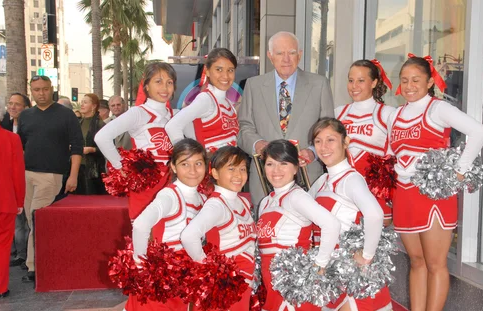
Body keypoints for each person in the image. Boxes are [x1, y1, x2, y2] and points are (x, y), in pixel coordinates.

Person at [60, 139, 207, 311]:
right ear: (172, 166)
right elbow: (140, 225)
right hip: (160, 287)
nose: (192, 170)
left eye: (198, 163)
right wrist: (142, 267)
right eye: (185, 164)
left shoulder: (199, 198)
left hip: (178, 287)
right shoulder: (171, 196)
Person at [387, 55, 483, 311]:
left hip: (433, 196)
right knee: (416, 262)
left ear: (430, 82)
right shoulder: (396, 114)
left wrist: (459, 170)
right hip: (403, 194)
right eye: (404, 80)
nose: (409, 86)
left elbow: (478, 132)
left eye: (416, 80)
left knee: (435, 263)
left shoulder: (439, 108)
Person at [308, 118, 411, 311]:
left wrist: (366, 255)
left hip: (355, 279)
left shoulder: (350, 179)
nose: (324, 147)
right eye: (318, 141)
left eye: (330, 140)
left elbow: (375, 215)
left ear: (346, 142)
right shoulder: (320, 182)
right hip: (332, 278)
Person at [257, 139, 340, 311]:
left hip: (293, 289)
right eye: (271, 164)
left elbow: (331, 225)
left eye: (284, 164)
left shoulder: (296, 197)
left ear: (296, 167)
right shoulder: (266, 202)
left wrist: (319, 264)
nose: (276, 171)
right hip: (272, 287)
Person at [179, 146, 256, 311]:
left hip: (242, 291)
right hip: (222, 293)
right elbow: (189, 236)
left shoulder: (242, 202)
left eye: (242, 169)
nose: (238, 175)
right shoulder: (216, 205)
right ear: (214, 173)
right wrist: (208, 270)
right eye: (230, 168)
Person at [238, 31, 335, 205]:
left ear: (300, 55)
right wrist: (258, 144)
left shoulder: (319, 84)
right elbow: (244, 127)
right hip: (264, 179)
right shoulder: (253, 85)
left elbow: (328, 130)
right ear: (270, 56)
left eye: (291, 53)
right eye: (280, 53)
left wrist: (313, 152)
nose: (286, 59)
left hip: (308, 176)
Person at [18, 75, 83, 283]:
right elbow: (20, 146)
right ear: (31, 91)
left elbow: (77, 146)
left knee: (37, 218)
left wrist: (72, 175)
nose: (41, 93)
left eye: (45, 89)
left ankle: (35, 267)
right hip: (26, 174)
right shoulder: (26, 115)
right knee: (31, 220)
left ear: (51, 89)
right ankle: (38, 263)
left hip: (52, 175)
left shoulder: (66, 115)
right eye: (36, 89)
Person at [95, 62, 177, 220]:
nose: (165, 88)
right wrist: (120, 167)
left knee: (169, 235)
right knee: (144, 235)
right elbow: (101, 137)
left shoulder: (175, 114)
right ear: (146, 85)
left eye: (169, 82)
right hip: (147, 185)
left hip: (172, 181)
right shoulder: (138, 113)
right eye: (158, 81)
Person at [335, 59, 396, 223]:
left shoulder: (388, 113)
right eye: (351, 80)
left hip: (374, 191)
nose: (354, 86)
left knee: (374, 244)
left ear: (374, 82)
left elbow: (394, 155)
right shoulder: (338, 113)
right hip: (343, 191)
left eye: (361, 81)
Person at [0, 93, 25, 297]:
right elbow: (17, 173)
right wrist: (19, 201)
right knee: (1, 245)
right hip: (2, 199)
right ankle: (0, 288)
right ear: (0, 114)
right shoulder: (11, 139)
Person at [165, 48, 239, 151]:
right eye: (219, 69)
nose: (225, 76)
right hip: (213, 165)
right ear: (207, 72)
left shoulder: (228, 103)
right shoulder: (206, 99)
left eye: (230, 70)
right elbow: (172, 126)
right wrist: (187, 157)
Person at [0, 93, 32, 269]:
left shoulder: (30, 125)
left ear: (26, 107)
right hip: (7, 177)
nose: (12, 107)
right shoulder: (3, 124)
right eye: (10, 103)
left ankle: (29, 256)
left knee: (27, 218)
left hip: (28, 174)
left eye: (17, 104)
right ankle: (20, 254)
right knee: (17, 219)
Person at [76, 93, 106, 195]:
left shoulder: (100, 124)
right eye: (82, 102)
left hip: (93, 170)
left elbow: (108, 148)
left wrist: (92, 149)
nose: (82, 105)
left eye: (85, 102)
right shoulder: (79, 123)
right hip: (77, 167)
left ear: (93, 106)